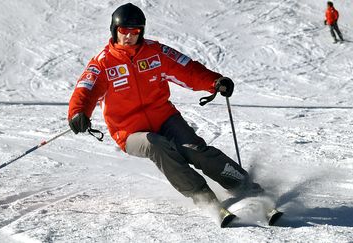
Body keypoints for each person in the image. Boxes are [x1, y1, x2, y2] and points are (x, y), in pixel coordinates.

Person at [68, 3, 261, 206]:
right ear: (114, 30)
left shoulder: (156, 52)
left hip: (164, 118)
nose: (128, 36)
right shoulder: (102, 63)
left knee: (194, 149)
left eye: (134, 31)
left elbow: (187, 69)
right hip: (128, 132)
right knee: (155, 144)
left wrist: (215, 82)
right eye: (123, 31)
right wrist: (78, 113)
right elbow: (85, 90)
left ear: (141, 32)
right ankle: (203, 196)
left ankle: (242, 183)